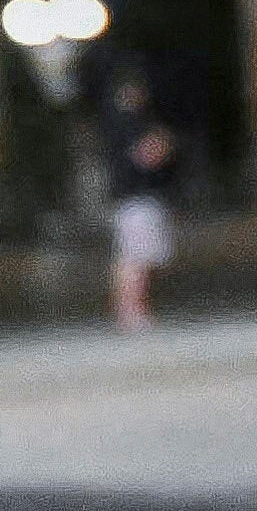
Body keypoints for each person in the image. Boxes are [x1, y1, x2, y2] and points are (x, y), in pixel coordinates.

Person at [95, 66, 182, 330]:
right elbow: (148, 155)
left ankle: (130, 309)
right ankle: (131, 310)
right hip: (136, 200)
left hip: (136, 200)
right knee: (135, 258)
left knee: (138, 257)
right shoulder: (128, 126)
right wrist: (164, 143)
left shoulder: (118, 125)